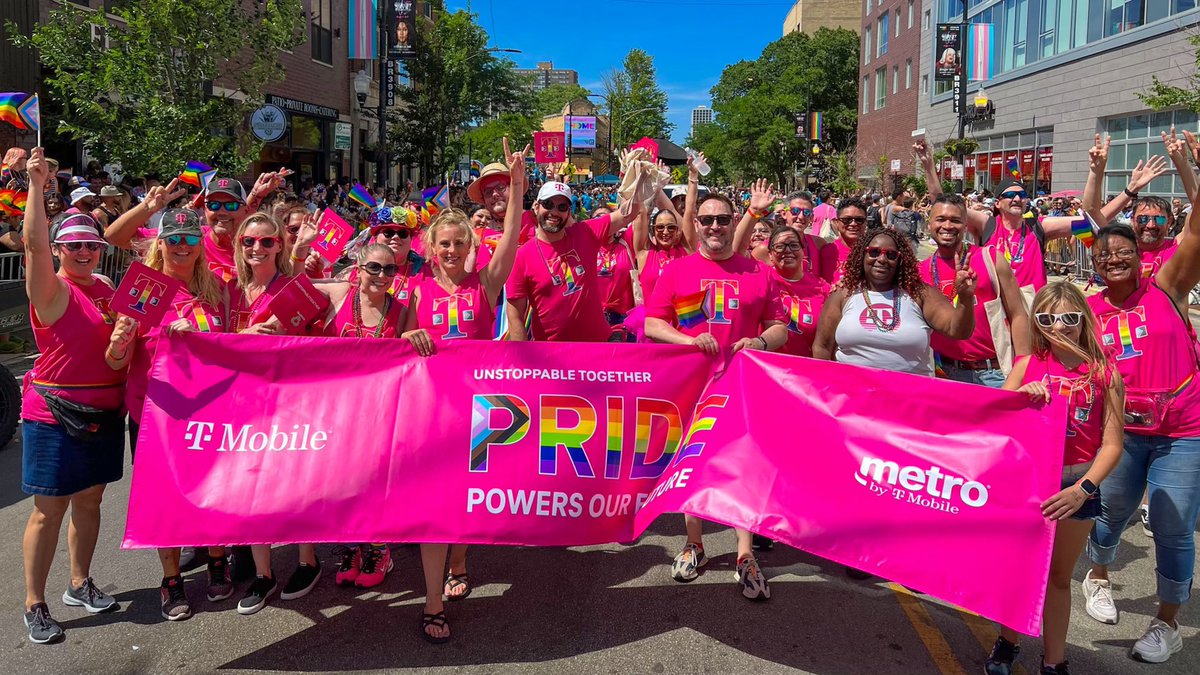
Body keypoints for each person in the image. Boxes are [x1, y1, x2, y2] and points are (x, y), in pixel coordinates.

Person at [1075, 136, 1200, 664]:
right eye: (1106, 255)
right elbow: (1087, 225)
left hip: (1182, 429)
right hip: (1121, 431)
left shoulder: (1167, 284)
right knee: (1112, 511)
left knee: (1174, 522)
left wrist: (1186, 166)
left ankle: (1166, 622)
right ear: (1097, 263)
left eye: (1124, 252)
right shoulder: (1089, 307)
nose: (1115, 259)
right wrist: (1100, 175)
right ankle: (1097, 576)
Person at [401, 138, 527, 643]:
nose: (452, 251)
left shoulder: (485, 284)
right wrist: (409, 334)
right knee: (436, 505)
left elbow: (514, 238)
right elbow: (398, 347)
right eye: (444, 244)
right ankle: (434, 600)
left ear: (471, 247)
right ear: (431, 249)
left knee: (464, 501)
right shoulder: (414, 290)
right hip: (430, 411)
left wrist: (517, 187)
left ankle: (459, 557)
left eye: (459, 243)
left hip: (477, 413)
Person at [644, 187, 788, 601]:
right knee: (692, 465)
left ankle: (745, 553)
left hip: (744, 385)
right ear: (696, 225)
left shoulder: (758, 272)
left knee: (743, 467)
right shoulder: (677, 271)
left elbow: (779, 325)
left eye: (722, 220)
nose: (714, 227)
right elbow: (653, 323)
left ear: (733, 223)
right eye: (706, 220)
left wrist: (759, 343)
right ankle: (695, 544)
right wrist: (688, 341)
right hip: (692, 386)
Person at [984, 282, 1125, 675]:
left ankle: (1054, 660)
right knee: (1021, 569)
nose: (1058, 327)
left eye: (1069, 318)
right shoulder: (1027, 365)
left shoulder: (1105, 371)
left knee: (1059, 578)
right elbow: (996, 424)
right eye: (1047, 319)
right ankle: (1007, 643)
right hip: (1028, 482)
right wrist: (1019, 400)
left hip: (1077, 486)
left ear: (1084, 319)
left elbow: (1113, 444)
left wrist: (1082, 490)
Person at [18, 148, 125, 644]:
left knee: (91, 500)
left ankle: (79, 583)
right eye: (74, 245)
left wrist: (124, 346)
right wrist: (37, 187)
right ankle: (34, 603)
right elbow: (34, 248)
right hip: (54, 412)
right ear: (60, 249)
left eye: (92, 245)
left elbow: (117, 356)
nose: (84, 252)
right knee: (49, 508)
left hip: (104, 408)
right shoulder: (51, 290)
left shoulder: (105, 286)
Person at [102, 208, 229, 621]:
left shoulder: (217, 290)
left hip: (206, 414)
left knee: (211, 491)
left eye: (189, 239)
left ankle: (216, 559)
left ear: (200, 245)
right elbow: (115, 360)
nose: (180, 246)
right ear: (160, 243)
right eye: (172, 238)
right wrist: (120, 343)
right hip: (153, 415)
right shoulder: (145, 289)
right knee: (163, 499)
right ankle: (171, 580)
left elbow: (232, 350)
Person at [918, 139, 1158, 293]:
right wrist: (929, 167)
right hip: (995, 305)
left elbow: (1093, 219)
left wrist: (1129, 191)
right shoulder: (986, 224)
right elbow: (943, 204)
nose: (1016, 199)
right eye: (1009, 195)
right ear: (998, 203)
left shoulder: (1039, 226)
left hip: (1031, 306)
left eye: (1022, 195)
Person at [812, 227, 975, 377]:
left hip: (909, 399)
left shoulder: (920, 293)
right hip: (854, 397)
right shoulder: (843, 295)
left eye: (891, 255)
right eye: (874, 252)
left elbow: (957, 330)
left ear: (900, 260)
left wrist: (965, 299)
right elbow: (822, 347)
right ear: (862, 255)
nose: (882, 259)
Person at [504, 180, 641, 342]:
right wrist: (524, 359)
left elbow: (628, 213)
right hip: (552, 355)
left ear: (568, 212)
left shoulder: (585, 233)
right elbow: (515, 316)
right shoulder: (522, 256)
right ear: (536, 207)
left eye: (562, 207)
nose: (554, 212)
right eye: (548, 204)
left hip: (597, 345)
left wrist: (638, 178)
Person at [918, 194, 1030, 387]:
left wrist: (1023, 367)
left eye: (955, 220)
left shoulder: (991, 259)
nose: (947, 226)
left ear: (965, 225)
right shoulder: (919, 271)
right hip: (942, 373)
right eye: (940, 219)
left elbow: (1018, 314)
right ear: (929, 225)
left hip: (993, 374)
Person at [765, 225, 829, 358]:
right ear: (770, 255)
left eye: (794, 245)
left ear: (802, 251)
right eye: (780, 246)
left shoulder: (822, 288)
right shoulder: (763, 280)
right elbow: (736, 250)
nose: (787, 250)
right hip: (768, 368)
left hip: (805, 369)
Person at [827, 197, 871, 283]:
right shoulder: (827, 251)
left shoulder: (874, 252)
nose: (853, 224)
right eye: (847, 220)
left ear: (866, 223)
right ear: (836, 222)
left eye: (859, 220)